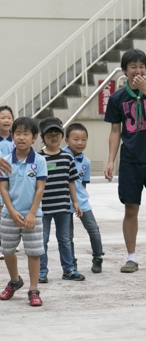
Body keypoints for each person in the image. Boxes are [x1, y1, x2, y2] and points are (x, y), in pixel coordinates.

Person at [103, 48, 146, 274]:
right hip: (130, 161)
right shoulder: (116, 98)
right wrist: (111, 160)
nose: (138, 70)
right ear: (125, 71)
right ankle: (131, 257)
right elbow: (115, 131)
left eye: (142, 66)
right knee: (130, 208)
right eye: (133, 67)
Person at [0, 117, 47, 306]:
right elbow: (3, 189)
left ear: (34, 137)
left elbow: (40, 189)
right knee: (8, 250)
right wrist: (11, 211)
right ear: (12, 136)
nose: (21, 137)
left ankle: (33, 289)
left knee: (34, 253)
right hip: (9, 215)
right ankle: (14, 281)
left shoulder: (40, 161)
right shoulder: (5, 162)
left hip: (32, 216)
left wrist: (31, 213)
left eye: (26, 134)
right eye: (17, 133)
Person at [38, 118, 83, 283]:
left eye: (56, 133)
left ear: (62, 136)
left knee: (65, 239)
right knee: (41, 240)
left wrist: (75, 202)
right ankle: (41, 271)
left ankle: (69, 270)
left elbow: (71, 181)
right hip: (42, 208)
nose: (53, 137)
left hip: (63, 207)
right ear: (42, 136)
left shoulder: (67, 158)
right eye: (49, 134)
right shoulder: (38, 158)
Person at [63, 123, 104, 274]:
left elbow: (83, 184)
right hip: (63, 203)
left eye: (84, 139)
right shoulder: (61, 158)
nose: (80, 143)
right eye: (76, 139)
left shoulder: (85, 162)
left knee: (93, 230)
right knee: (67, 235)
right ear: (66, 140)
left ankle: (98, 257)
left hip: (82, 202)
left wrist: (80, 202)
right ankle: (71, 262)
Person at [0, 105, 15, 260]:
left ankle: (9, 243)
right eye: (2, 117)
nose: (6, 120)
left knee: (9, 212)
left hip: (12, 182)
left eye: (9, 117)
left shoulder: (16, 139)